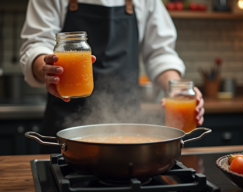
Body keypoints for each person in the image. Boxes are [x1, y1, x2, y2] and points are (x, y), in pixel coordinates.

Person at [20, 0, 205, 154]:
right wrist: (46, 68)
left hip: (127, 126)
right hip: (65, 130)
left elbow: (161, 53)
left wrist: (179, 90)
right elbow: (37, 43)